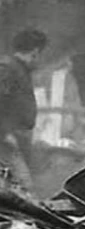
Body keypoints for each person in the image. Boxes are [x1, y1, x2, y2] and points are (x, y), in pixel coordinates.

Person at [0, 29, 48, 191]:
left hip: (13, 139)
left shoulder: (17, 70)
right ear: (35, 52)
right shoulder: (7, 69)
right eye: (41, 55)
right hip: (5, 141)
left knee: (17, 187)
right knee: (23, 188)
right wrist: (5, 133)